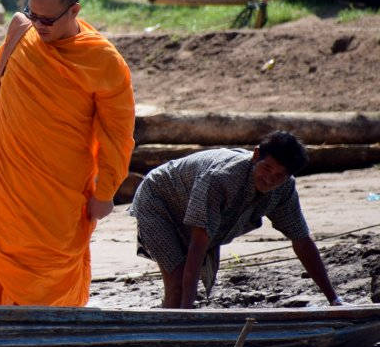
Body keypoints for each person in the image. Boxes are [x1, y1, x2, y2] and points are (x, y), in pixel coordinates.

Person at [0, 0, 136, 306]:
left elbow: (117, 134)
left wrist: (105, 192)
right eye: (33, 14)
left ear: (74, 11)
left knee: (42, 286)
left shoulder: (104, 61)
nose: (38, 25)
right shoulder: (22, 33)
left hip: (52, 202)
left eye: (47, 19)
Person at [129, 130, 343, 308]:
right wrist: (187, 315)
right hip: (158, 201)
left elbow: (301, 239)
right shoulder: (221, 178)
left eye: (279, 176)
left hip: (191, 207)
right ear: (255, 155)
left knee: (183, 289)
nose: (269, 179)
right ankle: (173, 331)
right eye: (266, 168)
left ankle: (173, 322)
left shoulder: (284, 188)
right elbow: (198, 243)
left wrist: (334, 300)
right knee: (177, 283)